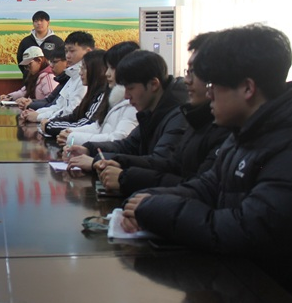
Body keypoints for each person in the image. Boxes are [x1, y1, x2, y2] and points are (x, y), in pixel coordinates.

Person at [121, 24, 292, 303]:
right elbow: (207, 187)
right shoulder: (248, 131)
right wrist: (145, 199)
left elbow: (247, 231)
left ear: (248, 88)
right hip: (255, 281)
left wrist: (155, 209)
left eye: (214, 86)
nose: (208, 94)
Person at [97, 33, 231, 196]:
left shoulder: (181, 116)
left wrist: (126, 177)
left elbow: (200, 190)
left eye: (195, 73)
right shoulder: (194, 117)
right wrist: (111, 161)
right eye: (188, 72)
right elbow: (170, 165)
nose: (187, 80)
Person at [65, 50, 186, 182]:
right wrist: (89, 149)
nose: (127, 96)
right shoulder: (151, 111)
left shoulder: (179, 116)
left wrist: (99, 162)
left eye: (130, 88)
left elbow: (159, 163)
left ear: (154, 84)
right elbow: (128, 145)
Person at [60, 41, 139, 148]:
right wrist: (70, 132)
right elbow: (99, 126)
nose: (107, 73)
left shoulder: (133, 104)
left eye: (112, 68)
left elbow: (119, 139)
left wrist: (72, 138)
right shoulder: (115, 97)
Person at [20, 31, 94, 123]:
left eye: (72, 51)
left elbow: (71, 112)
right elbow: (58, 106)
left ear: (88, 52)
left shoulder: (85, 79)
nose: (67, 56)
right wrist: (36, 113)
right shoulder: (72, 76)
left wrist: (38, 116)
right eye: (66, 51)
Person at [41, 49, 109, 138]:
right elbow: (74, 116)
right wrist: (51, 122)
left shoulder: (102, 94)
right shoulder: (91, 92)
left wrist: (50, 126)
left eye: (84, 68)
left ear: (96, 70)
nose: (80, 73)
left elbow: (86, 123)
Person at [16, 10, 64, 77]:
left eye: (41, 20)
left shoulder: (57, 41)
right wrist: (28, 75)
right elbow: (20, 60)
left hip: (51, 79)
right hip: (30, 80)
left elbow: (63, 61)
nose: (38, 23)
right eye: (36, 21)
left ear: (48, 23)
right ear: (33, 23)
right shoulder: (26, 41)